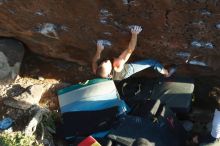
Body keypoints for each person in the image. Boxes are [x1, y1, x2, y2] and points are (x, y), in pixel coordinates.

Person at [92, 25, 175, 81]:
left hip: (108, 73)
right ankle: (166, 72)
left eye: (103, 62)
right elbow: (130, 50)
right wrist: (135, 33)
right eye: (107, 63)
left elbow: (94, 61)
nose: (105, 61)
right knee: (151, 62)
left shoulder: (96, 70)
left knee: (100, 65)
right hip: (126, 71)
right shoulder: (118, 66)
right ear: (110, 70)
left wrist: (99, 50)